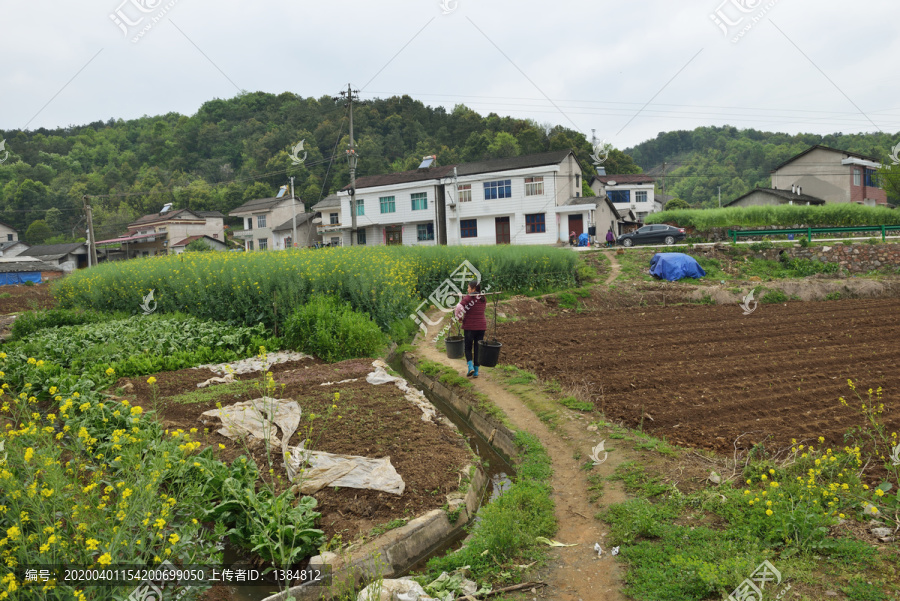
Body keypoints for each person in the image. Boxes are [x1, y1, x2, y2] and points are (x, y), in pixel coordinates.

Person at [459, 280, 487, 378]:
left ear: (473, 288)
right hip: (481, 326)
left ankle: (470, 367)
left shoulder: (469, 298)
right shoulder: (483, 298)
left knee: (468, 347)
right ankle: (476, 372)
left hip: (470, 327)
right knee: (477, 348)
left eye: (468, 288)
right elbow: (474, 306)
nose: (467, 289)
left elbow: (458, 308)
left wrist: (459, 317)